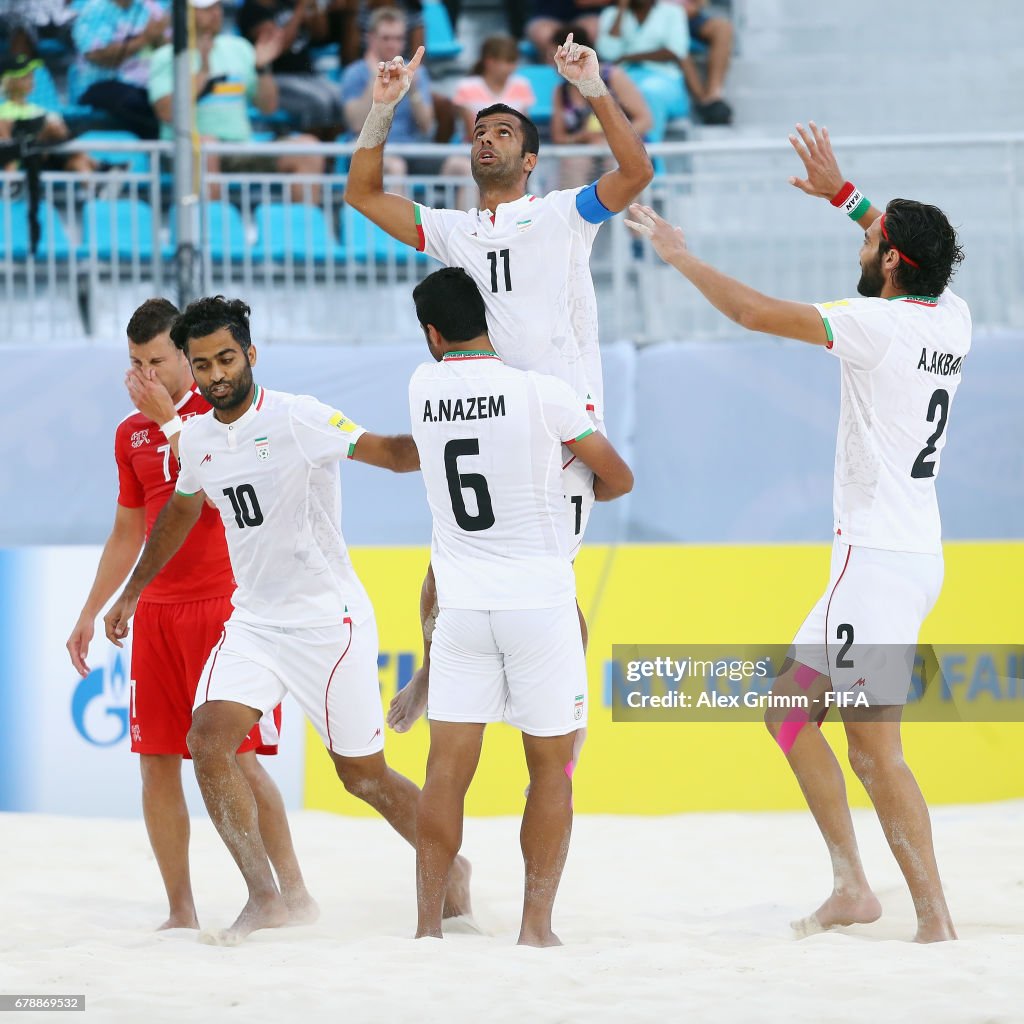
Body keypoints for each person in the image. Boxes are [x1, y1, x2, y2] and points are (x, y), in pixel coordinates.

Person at [625, 121, 968, 943]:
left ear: (891, 262)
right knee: (785, 709)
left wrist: (678, 255)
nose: (871, 236)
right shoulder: (949, 312)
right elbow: (903, 245)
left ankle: (937, 923)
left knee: (875, 751)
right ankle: (853, 886)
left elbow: (749, 311)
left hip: (876, 565)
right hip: (909, 553)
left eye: (876, 236)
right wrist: (848, 199)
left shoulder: (873, 325)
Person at [103, 296, 472, 945]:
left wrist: (459, 434)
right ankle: (268, 898)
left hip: (329, 621)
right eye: (203, 364)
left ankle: (454, 867)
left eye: (225, 358)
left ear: (250, 354)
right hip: (256, 621)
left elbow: (387, 452)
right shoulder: (200, 440)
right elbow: (182, 511)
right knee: (207, 739)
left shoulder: (298, 417)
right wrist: (133, 591)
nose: (216, 374)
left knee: (362, 776)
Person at [344, 33, 652, 738]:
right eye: (480, 131)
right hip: (482, 420)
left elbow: (636, 171)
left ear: (530, 159)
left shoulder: (562, 213)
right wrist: (383, 107)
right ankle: (429, 667)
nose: (488, 139)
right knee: (440, 571)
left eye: (505, 131)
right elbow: (360, 193)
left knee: (554, 578)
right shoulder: (452, 231)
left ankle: (564, 717)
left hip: (559, 429)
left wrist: (593, 87)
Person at [67, 298, 312, 933]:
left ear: (185, 356)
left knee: (238, 758)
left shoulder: (223, 413)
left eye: (155, 361)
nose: (143, 375)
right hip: (156, 613)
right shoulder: (132, 433)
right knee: (153, 760)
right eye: (133, 363)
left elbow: (208, 493)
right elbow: (129, 531)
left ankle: (292, 894)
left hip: (227, 607)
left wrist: (169, 417)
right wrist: (92, 610)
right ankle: (181, 910)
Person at [409, 268, 633, 946]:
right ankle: (536, 928)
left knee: (445, 773)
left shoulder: (421, 390)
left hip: (461, 607)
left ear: (431, 334)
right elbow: (618, 478)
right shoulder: (543, 395)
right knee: (551, 772)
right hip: (538, 605)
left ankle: (427, 928)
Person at [148, 0, 325, 203]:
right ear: (185, 15)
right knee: (206, 146)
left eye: (217, 8)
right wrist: (203, 72)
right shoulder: (167, 57)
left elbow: (268, 107)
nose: (215, 14)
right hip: (187, 150)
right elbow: (166, 112)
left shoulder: (239, 48)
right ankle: (213, 229)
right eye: (206, 10)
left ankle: (304, 230)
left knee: (308, 149)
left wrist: (262, 68)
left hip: (240, 148)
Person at [340, 7, 458, 178]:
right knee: (396, 167)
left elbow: (427, 127)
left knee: (461, 167)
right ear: (371, 39)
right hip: (369, 149)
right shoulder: (355, 73)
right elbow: (356, 124)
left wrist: (414, 89)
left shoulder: (417, 73)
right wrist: (375, 77)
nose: (392, 44)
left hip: (411, 149)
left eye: (398, 38)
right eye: (386, 38)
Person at [549, 24, 651, 189]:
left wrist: (609, 139)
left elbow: (645, 120)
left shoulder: (613, 76)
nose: (550, 61)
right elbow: (559, 137)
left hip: (622, 147)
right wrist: (583, 137)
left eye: (552, 54)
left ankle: (629, 213)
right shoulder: (560, 91)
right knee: (574, 163)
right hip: (584, 152)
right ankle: (575, 213)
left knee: (620, 161)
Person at [237, 0, 345, 137]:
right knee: (320, 102)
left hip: (307, 75)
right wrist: (300, 10)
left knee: (342, 98)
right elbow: (277, 45)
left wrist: (315, 8)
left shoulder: (287, 3)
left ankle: (336, 153)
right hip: (276, 78)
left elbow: (320, 33)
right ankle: (318, 153)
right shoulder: (252, 10)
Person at [71, 0, 167, 139]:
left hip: (147, 84)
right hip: (101, 85)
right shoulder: (94, 10)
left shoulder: (150, 7)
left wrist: (160, 37)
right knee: (133, 102)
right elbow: (99, 56)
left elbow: (166, 49)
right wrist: (145, 38)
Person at [0, 53, 98, 174]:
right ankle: (100, 165)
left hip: (46, 156)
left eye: (31, 76)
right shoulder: (2, 111)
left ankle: (98, 189)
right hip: (25, 160)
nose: (31, 80)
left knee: (79, 163)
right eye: (24, 77)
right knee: (54, 129)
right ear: (10, 81)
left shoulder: (38, 109)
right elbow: (8, 143)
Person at [596, 0, 689, 122]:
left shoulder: (672, 12)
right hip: (624, 76)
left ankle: (648, 140)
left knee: (648, 92)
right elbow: (607, 52)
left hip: (664, 75)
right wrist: (621, 10)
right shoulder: (610, 14)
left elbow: (676, 50)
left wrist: (629, 57)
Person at [451, 35, 536, 142]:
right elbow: (472, 134)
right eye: (508, 62)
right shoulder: (466, 87)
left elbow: (524, 130)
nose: (512, 68)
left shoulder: (522, 85)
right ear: (490, 62)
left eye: (514, 62)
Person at [678, 0, 732, 125]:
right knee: (677, 44)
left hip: (691, 18)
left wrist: (693, 8)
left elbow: (700, 3)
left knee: (723, 28)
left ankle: (713, 94)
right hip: (660, 17)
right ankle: (702, 98)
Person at [526, 0, 608, 56]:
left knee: (592, 29)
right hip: (547, 16)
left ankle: (589, 64)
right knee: (544, 33)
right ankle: (553, 68)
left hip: (585, 16)